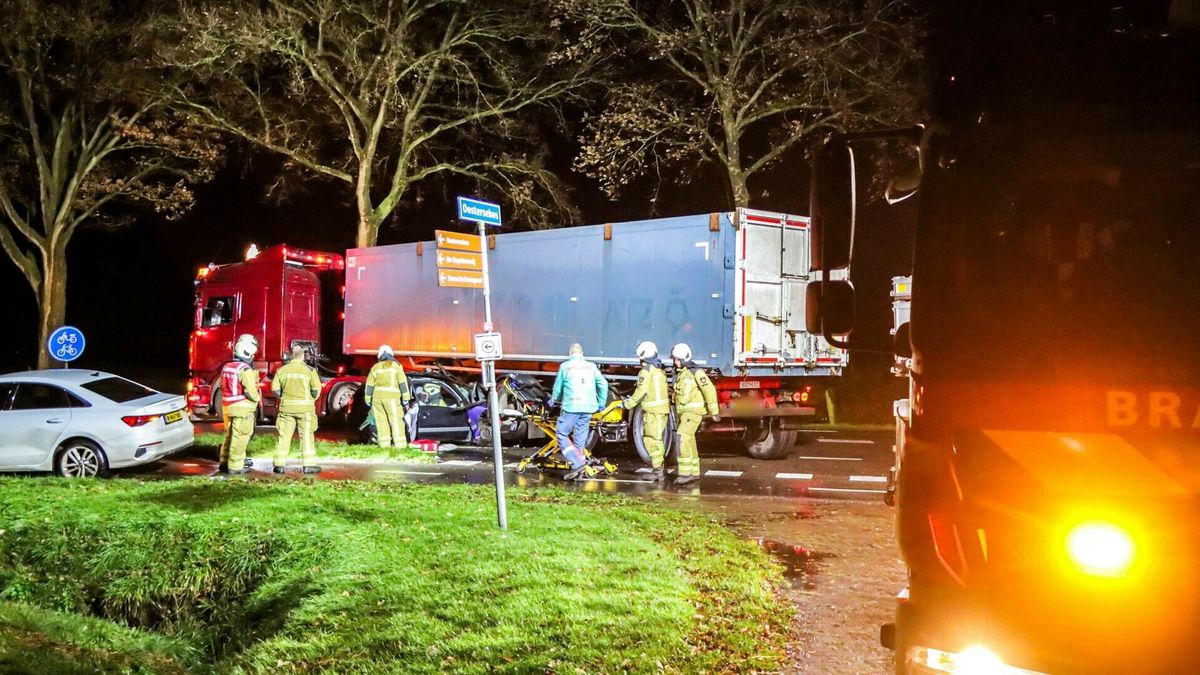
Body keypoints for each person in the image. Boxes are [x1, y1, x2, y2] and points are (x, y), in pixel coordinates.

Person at [549, 343, 609, 481]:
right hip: (588, 407)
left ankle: (577, 462)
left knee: (561, 433)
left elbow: (558, 387)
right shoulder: (591, 366)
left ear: (570, 353)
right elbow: (603, 384)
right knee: (580, 439)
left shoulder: (566, 366)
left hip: (572, 406)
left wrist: (554, 399)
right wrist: (601, 403)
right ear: (582, 353)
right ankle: (580, 468)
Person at [670, 343, 719, 486]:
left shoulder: (696, 373)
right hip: (684, 413)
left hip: (693, 413)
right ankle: (693, 472)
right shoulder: (682, 373)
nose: (675, 362)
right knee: (689, 440)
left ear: (684, 358)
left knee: (682, 438)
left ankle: (685, 474)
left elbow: (709, 390)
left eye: (677, 359)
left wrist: (714, 411)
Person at [271, 345, 322, 475]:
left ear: (291, 356)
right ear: (302, 356)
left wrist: (284, 397)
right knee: (306, 436)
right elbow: (316, 390)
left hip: (286, 409)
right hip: (305, 410)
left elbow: (275, 389)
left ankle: (279, 465)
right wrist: (311, 399)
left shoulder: (281, 370)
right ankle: (309, 465)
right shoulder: (310, 370)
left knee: (284, 436)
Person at [623, 340, 670, 483]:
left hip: (652, 411)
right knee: (658, 439)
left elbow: (641, 391)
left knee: (651, 440)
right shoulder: (659, 370)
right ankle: (660, 468)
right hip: (662, 410)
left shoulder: (646, 371)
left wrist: (628, 404)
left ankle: (658, 471)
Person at [218, 334, 261, 475]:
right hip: (242, 409)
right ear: (248, 353)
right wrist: (256, 398)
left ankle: (224, 461)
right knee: (241, 437)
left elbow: (221, 385)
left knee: (229, 436)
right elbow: (250, 392)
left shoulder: (227, 367)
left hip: (228, 407)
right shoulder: (245, 370)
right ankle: (235, 466)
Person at [365, 345, 411, 448]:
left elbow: (369, 385)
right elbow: (403, 383)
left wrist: (368, 398)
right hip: (392, 398)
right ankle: (400, 446)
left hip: (377, 399)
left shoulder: (375, 367)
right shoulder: (396, 366)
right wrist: (406, 398)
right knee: (396, 421)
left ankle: (384, 446)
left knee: (381, 422)